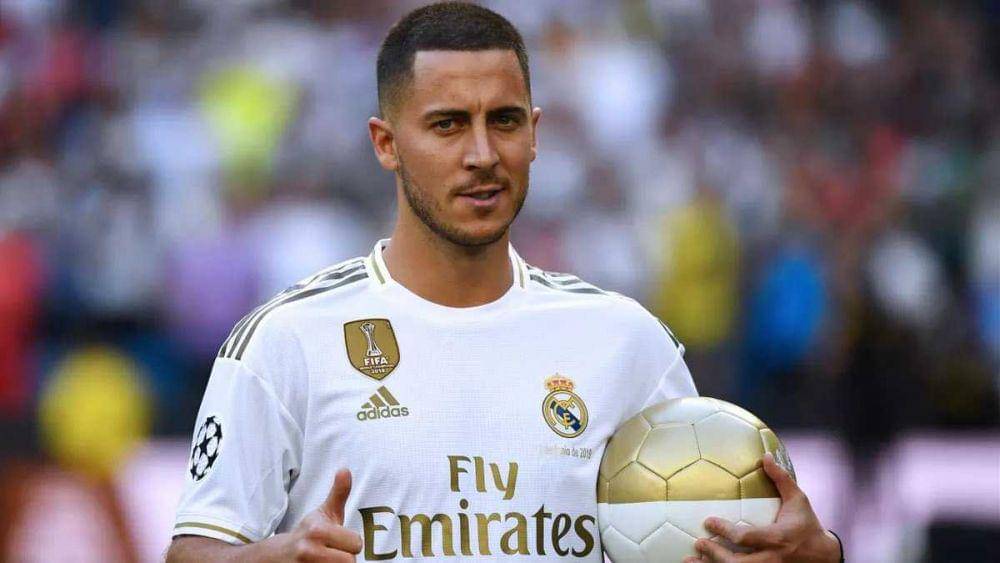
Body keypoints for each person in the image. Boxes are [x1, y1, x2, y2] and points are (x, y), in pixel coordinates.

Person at [166, 3, 843, 562]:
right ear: (385, 143)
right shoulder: (286, 340)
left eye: (505, 120)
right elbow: (194, 551)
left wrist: (817, 554)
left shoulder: (625, 341)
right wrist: (270, 557)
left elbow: (716, 536)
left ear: (535, 132)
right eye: (448, 125)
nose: (483, 154)